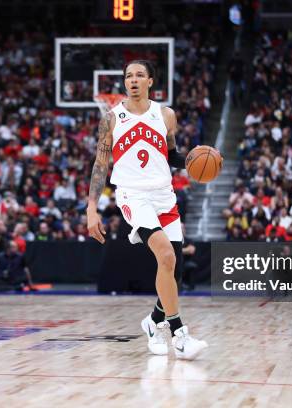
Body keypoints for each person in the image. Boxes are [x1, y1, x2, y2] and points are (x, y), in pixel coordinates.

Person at [87, 60, 208, 360]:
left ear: (151, 81)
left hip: (164, 195)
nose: (134, 80)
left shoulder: (165, 115)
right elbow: (100, 165)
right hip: (133, 196)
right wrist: (92, 208)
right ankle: (179, 335)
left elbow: (171, 155)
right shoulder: (112, 118)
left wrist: (193, 161)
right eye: (129, 76)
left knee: (173, 270)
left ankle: (153, 322)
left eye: (140, 75)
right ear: (124, 82)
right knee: (165, 255)